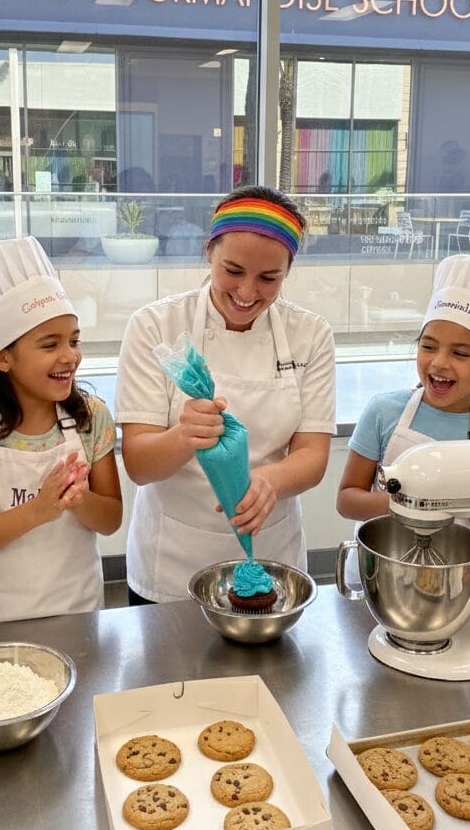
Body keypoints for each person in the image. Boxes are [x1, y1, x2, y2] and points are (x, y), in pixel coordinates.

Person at [116, 186, 335, 604]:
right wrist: (184, 436)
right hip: (172, 564)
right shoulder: (155, 326)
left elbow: (313, 456)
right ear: (208, 253)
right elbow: (140, 465)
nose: (248, 292)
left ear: (288, 270)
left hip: (271, 555)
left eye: (269, 278)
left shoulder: (310, 336)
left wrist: (268, 482)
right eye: (233, 271)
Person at [0, 236, 122, 623]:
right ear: (2, 356)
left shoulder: (92, 418)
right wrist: (38, 509)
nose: (69, 356)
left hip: (79, 609)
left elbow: (111, 521)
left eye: (74, 341)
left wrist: (80, 500)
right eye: (49, 344)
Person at [337, 254, 470, 524]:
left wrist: (455, 503)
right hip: (381, 562)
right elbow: (347, 501)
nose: (439, 363)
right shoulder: (384, 411)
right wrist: (414, 502)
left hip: (461, 565)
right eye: (428, 347)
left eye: (460, 354)